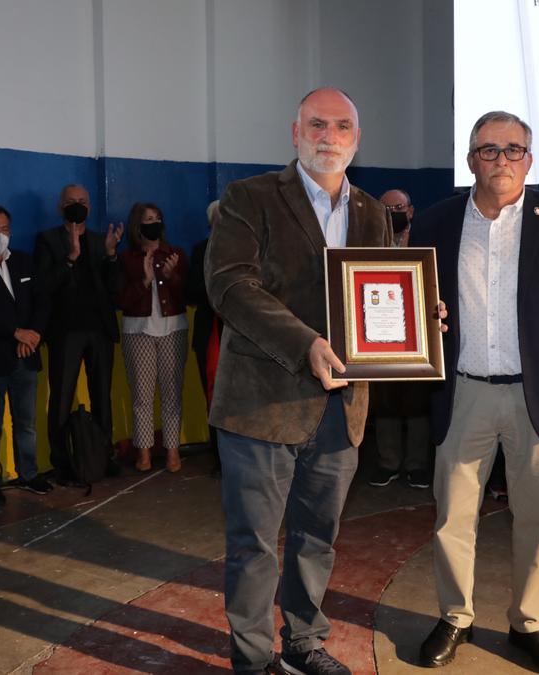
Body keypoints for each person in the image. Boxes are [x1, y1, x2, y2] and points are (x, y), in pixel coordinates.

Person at [411, 111, 539, 674]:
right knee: (452, 517)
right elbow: (417, 305)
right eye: (488, 150)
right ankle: (455, 616)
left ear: (529, 157)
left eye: (513, 149)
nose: (501, 160)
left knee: (538, 518)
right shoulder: (436, 222)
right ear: (471, 157)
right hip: (464, 393)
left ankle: (530, 625)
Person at [207, 87, 395, 675]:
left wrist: (417, 321)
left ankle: (304, 641)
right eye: (317, 124)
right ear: (294, 132)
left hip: (342, 411)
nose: (328, 136)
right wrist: (304, 344)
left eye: (342, 126)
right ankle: (253, 659)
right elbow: (231, 285)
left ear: (356, 140)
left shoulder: (373, 213)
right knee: (255, 545)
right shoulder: (250, 197)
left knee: (317, 538)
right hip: (261, 406)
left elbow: (383, 293)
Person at [33, 185, 123, 482]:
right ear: (60, 207)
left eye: (82, 201)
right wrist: (70, 257)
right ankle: (62, 462)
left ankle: (102, 455)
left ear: (90, 207)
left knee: (102, 397)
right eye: (71, 202)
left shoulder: (101, 240)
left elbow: (115, 290)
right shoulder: (47, 240)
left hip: (99, 329)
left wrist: (111, 256)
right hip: (65, 331)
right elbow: (44, 286)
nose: (77, 206)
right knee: (61, 397)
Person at [0, 205, 52, 506]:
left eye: (4, 229)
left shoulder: (25, 262)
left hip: (26, 355)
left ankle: (28, 474)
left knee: (25, 421)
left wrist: (34, 335)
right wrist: (15, 332)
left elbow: (42, 303)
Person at [115, 202, 189, 473]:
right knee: (142, 397)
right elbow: (121, 300)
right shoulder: (127, 259)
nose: (154, 223)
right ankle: (143, 452)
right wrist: (144, 281)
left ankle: (172, 452)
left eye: (157, 218)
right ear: (138, 225)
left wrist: (172, 277)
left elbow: (187, 295)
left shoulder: (176, 254)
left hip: (173, 329)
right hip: (139, 332)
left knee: (172, 394)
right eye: (148, 219)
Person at [368, 189, 432, 489]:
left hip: (418, 333)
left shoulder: (427, 240)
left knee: (418, 401)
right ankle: (388, 462)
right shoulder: (367, 242)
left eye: (398, 206)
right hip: (380, 334)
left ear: (411, 210)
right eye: (386, 207)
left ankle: (418, 465)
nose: (393, 211)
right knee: (385, 401)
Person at [187, 200, 222, 468]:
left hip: (239, 333)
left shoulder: (247, 248)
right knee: (212, 392)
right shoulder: (200, 251)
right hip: (209, 331)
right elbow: (191, 292)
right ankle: (218, 455)